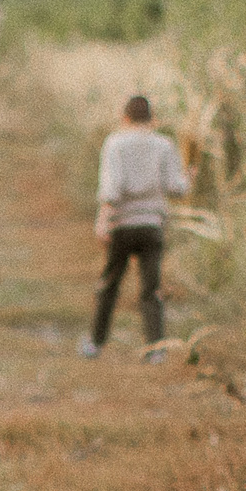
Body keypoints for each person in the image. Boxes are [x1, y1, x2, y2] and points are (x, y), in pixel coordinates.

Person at [83, 93, 191, 359]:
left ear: (125, 117)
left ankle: (96, 342)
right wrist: (189, 178)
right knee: (151, 289)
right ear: (151, 118)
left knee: (109, 284)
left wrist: (102, 221)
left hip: (122, 224)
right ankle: (155, 348)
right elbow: (176, 187)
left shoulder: (115, 143)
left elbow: (112, 188)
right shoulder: (164, 145)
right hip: (152, 224)